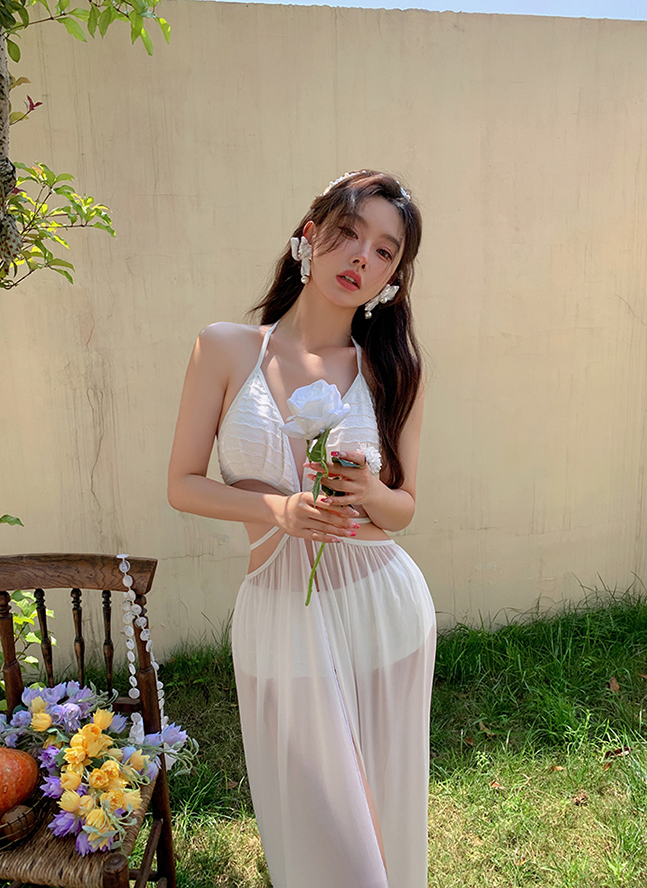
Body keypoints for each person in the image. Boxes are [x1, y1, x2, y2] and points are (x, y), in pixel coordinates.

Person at [168, 170, 436, 888]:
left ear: (391, 277)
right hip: (278, 611)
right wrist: (278, 511)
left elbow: (405, 507)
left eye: (385, 251)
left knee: (380, 816)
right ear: (310, 236)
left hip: (381, 606)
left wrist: (370, 490)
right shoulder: (226, 348)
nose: (362, 257)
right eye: (349, 233)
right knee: (320, 824)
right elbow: (182, 484)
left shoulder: (393, 368)